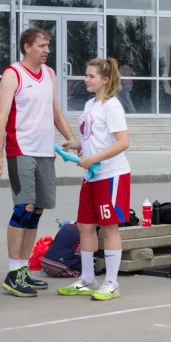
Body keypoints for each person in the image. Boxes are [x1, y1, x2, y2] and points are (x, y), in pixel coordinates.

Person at [0, 28, 76, 297]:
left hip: (45, 152)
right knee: (24, 207)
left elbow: (55, 112)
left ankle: (22, 271)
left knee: (37, 210)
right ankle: (13, 271)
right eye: (42, 45)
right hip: (21, 150)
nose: (47, 50)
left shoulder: (50, 74)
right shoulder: (13, 74)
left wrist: (72, 139)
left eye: (48, 46)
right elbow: (1, 116)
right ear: (27, 47)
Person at [57, 58, 131, 301]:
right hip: (91, 176)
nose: (86, 80)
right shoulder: (90, 104)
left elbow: (123, 142)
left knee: (109, 228)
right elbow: (93, 136)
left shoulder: (112, 106)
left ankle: (112, 283)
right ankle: (87, 278)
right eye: (86, 75)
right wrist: (76, 144)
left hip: (111, 175)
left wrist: (93, 158)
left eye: (91, 76)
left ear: (105, 80)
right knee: (84, 226)